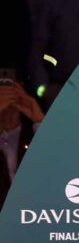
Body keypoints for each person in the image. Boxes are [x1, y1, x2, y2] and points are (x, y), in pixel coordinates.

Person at [0, 76, 43, 206]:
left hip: (32, 211)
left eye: (12, 92)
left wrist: (39, 118)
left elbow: (63, 157)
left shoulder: (34, 135)